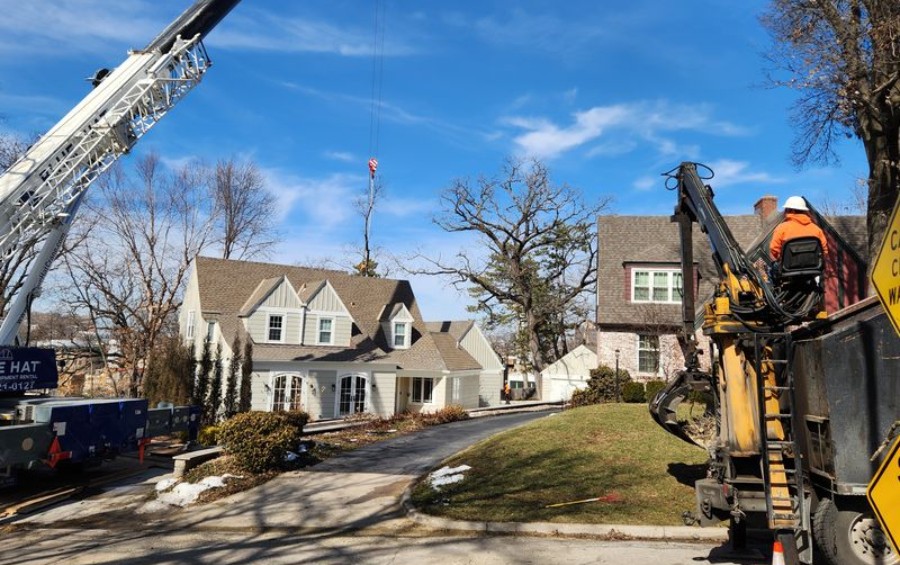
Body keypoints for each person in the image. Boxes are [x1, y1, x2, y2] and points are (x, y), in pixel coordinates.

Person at [769, 196, 828, 263]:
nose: (785, 212)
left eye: (786, 209)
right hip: (813, 269)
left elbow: (774, 250)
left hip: (787, 270)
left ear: (792, 210)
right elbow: (824, 252)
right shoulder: (817, 230)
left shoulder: (781, 228)